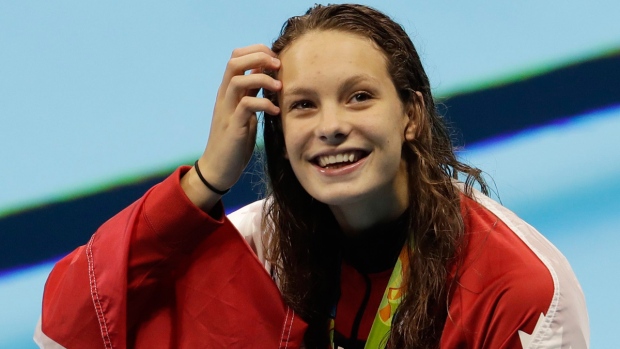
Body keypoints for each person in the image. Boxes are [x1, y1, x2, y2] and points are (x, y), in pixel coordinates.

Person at [35, 4, 589, 349]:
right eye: (303, 106)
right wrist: (206, 181)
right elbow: (71, 328)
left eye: (359, 97)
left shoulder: (517, 291)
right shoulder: (258, 249)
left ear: (412, 115)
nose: (331, 128)